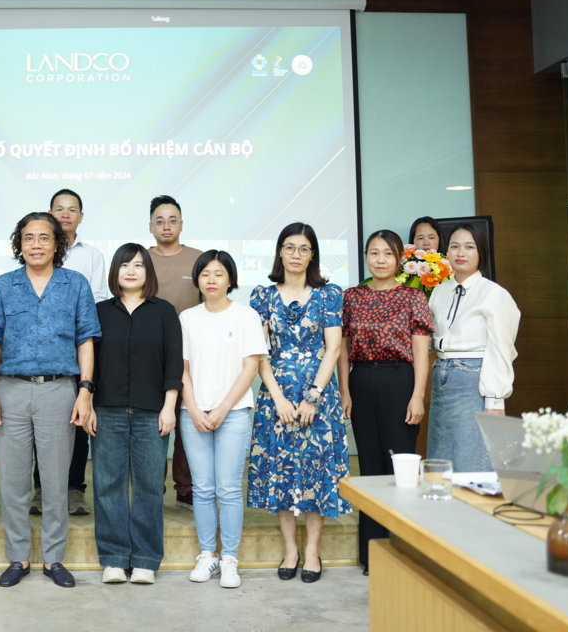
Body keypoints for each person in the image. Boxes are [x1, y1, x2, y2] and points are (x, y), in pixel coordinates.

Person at [0, 212, 100, 589]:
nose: (36, 244)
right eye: (29, 238)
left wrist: (85, 390)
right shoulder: (4, 285)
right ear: (19, 244)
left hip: (58, 390)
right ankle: (18, 557)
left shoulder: (75, 284)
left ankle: (53, 558)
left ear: (57, 243)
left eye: (44, 238)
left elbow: (85, 340)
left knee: (55, 481)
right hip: (11, 390)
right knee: (13, 481)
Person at [248, 222, 350, 584]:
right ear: (280, 252)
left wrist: (313, 397)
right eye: (289, 247)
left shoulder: (328, 294)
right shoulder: (262, 296)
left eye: (303, 248)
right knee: (281, 473)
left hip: (318, 398)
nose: (296, 254)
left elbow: (333, 348)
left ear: (312, 255)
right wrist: (278, 398)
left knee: (315, 473)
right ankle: (290, 549)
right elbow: (259, 352)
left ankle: (312, 552)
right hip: (276, 397)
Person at [338, 230, 434, 573]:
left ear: (399, 260)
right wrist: (345, 390)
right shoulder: (352, 297)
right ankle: (372, 553)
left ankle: (402, 549)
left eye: (387, 254)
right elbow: (343, 350)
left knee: (401, 468)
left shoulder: (413, 297)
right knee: (370, 468)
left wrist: (417, 396)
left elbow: (421, 352)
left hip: (399, 381)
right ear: (366, 257)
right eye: (374, 253)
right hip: (361, 379)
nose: (380, 260)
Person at [89, 243, 182, 586]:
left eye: (139, 265)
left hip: (151, 412)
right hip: (107, 410)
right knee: (107, 485)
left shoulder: (164, 311)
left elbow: (174, 361)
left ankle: (145, 559)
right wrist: (88, 404)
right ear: (115, 271)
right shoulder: (100, 312)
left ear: (148, 272)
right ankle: (114, 558)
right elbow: (89, 362)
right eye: (125, 265)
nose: (131, 271)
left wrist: (169, 406)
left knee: (148, 486)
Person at [179, 250, 268, 590]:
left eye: (219, 273)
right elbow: (182, 368)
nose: (212, 280)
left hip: (234, 413)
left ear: (230, 278)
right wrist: (193, 408)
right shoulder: (187, 318)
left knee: (229, 489)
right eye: (205, 274)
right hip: (193, 414)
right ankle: (207, 554)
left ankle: (230, 557)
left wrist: (222, 409)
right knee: (202, 488)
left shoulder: (246, 316)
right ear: (197, 279)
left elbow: (251, 367)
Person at [32, 188, 109, 517]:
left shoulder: (91, 255)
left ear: (80, 216)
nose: (65, 214)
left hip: (79, 348)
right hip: (41, 352)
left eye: (71, 209)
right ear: (50, 213)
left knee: (78, 419)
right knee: (40, 424)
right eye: (59, 209)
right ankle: (41, 490)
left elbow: (98, 301)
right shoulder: (35, 250)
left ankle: (75, 488)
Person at [428, 222, 521, 472]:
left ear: (481, 252)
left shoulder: (494, 294)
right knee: (440, 458)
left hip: (473, 378)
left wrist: (495, 401)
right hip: (441, 374)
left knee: (471, 458)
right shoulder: (439, 291)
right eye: (454, 246)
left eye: (469, 247)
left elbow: (501, 348)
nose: (461, 253)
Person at [146, 194, 202, 510]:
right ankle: (153, 485)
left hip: (192, 355)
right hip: (151, 355)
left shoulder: (199, 259)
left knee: (187, 421)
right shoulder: (141, 260)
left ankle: (186, 487)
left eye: (172, 220)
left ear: (182, 224)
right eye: (160, 220)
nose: (166, 226)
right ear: (150, 226)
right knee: (153, 422)